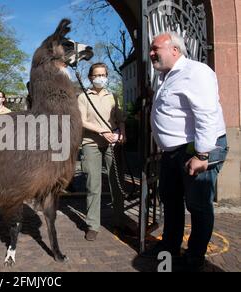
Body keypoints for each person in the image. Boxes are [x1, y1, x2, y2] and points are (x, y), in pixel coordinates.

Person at [146, 32, 228, 271]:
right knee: (170, 200)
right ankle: (170, 247)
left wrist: (202, 155)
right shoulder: (166, 77)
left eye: (155, 48)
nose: (151, 53)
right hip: (173, 152)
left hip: (195, 148)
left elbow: (207, 114)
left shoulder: (195, 72)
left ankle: (195, 256)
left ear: (174, 49)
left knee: (198, 204)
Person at [78, 63, 127, 241]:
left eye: (103, 74)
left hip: (112, 144)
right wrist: (101, 131)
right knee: (93, 185)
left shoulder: (112, 95)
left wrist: (122, 133)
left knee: (117, 182)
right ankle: (92, 225)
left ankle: (119, 219)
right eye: (97, 75)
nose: (100, 78)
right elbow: (82, 121)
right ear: (90, 77)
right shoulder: (83, 97)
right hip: (91, 144)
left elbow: (120, 118)